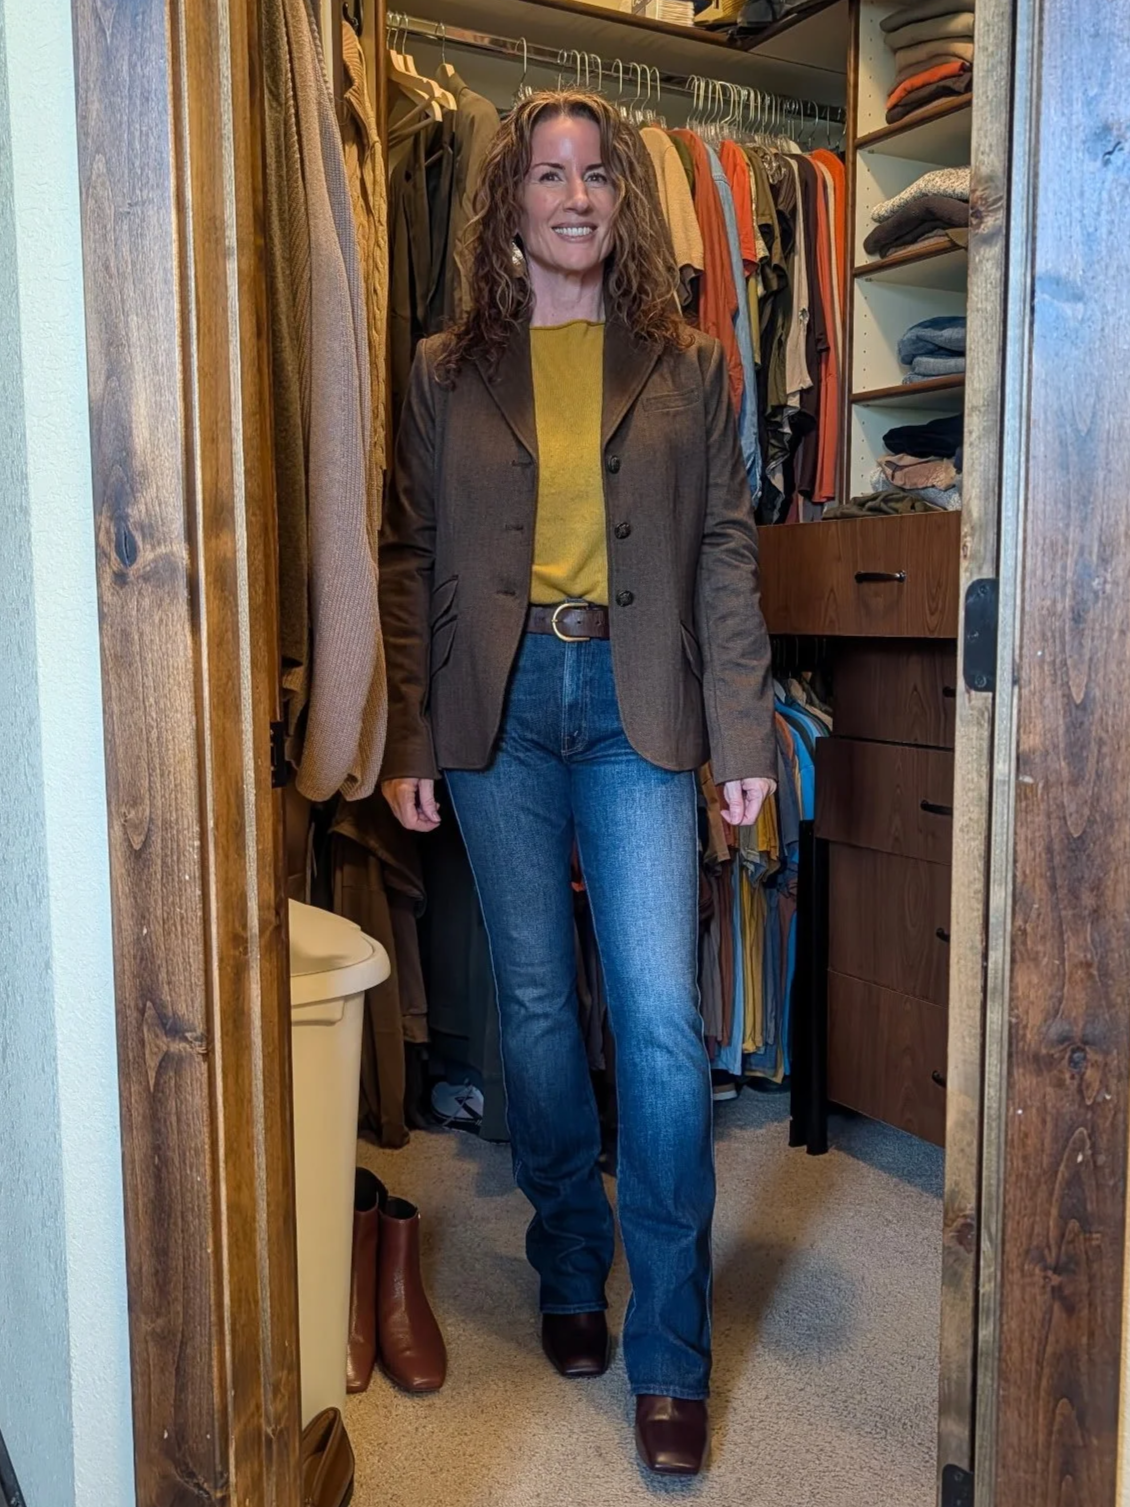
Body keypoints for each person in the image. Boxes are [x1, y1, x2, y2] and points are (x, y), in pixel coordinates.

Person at [379, 89, 776, 1477]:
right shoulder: (440, 370)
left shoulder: (690, 363)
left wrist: (745, 738)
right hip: (497, 713)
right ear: (509, 202)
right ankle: (565, 1264)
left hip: (635, 704)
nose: (573, 193)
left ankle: (668, 1345)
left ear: (625, 199)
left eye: (596, 174)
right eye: (546, 173)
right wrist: (412, 734)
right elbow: (411, 558)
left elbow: (723, 549)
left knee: (661, 1020)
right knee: (534, 1007)